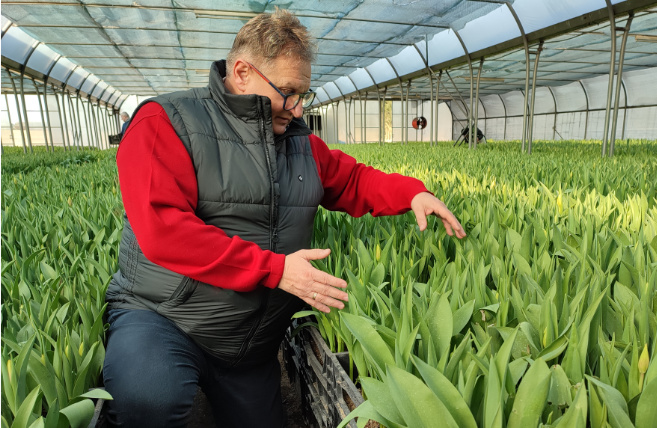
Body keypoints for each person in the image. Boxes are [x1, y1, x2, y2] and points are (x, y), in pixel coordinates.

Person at [102, 8, 466, 428]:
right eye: (288, 92)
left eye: (303, 96)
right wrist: (275, 270)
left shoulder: (298, 142)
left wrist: (412, 193)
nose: (296, 108)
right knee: (150, 400)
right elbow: (164, 231)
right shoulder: (165, 123)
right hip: (163, 318)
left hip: (249, 344)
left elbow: (352, 180)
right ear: (242, 72)